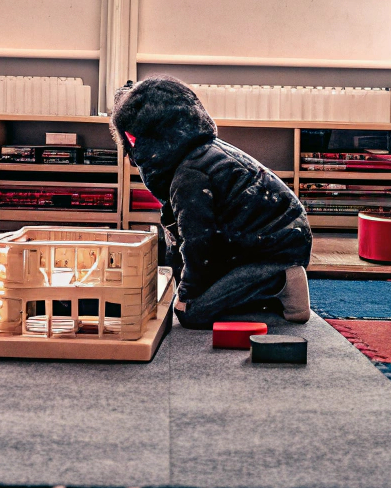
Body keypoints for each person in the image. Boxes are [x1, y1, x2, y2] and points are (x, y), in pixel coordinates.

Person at [110, 76, 311, 328]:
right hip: (269, 243)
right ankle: (271, 294)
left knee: (191, 314)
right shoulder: (203, 151)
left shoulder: (189, 175)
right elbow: (183, 237)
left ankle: (281, 280)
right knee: (197, 295)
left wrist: (185, 295)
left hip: (274, 253)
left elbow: (198, 244)